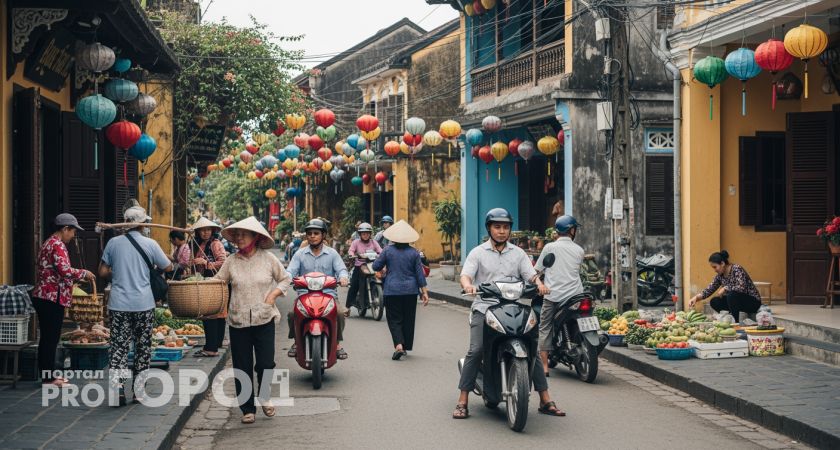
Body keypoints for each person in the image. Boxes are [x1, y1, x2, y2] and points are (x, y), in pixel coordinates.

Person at [454, 208, 564, 419]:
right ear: (490, 229)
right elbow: (466, 275)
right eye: (497, 227)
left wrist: (540, 285)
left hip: (513, 306)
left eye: (505, 227)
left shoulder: (518, 253)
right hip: (485, 307)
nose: (502, 231)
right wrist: (468, 285)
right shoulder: (478, 252)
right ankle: (462, 400)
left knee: (531, 347)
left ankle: (545, 399)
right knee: (476, 350)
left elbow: (531, 276)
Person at [214, 216, 290, 424]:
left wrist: (273, 296)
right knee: (242, 365)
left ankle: (264, 396)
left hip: (264, 317)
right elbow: (219, 283)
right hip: (238, 321)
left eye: (243, 235)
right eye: (236, 235)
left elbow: (285, 278)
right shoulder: (231, 261)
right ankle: (247, 408)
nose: (239, 238)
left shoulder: (268, 259)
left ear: (255, 237)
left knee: (266, 363)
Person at [99, 206, 173, 405]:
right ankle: (139, 392)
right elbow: (168, 266)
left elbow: (103, 271)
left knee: (118, 348)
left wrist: (119, 274)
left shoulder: (113, 243)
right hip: (143, 304)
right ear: (142, 224)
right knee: (143, 347)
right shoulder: (151, 244)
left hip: (119, 305)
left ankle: (118, 391)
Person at [31, 214, 96, 387]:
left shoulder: (48, 243)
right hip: (51, 297)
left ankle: (47, 376)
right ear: (65, 229)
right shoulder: (57, 245)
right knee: (50, 339)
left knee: (47, 338)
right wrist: (83, 273)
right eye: (73, 231)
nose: (73, 235)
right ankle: (49, 379)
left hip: (44, 296)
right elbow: (64, 270)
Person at [286, 219, 350, 360]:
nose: (312, 236)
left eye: (316, 233)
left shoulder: (332, 254)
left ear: (323, 235)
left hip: (328, 295)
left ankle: (337, 344)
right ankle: (296, 341)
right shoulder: (299, 254)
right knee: (292, 314)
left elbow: (342, 269)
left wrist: (344, 277)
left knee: (339, 313)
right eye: (309, 233)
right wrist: (287, 277)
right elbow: (290, 270)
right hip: (304, 295)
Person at [371, 220, 429, 360]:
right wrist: (425, 292)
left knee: (394, 319)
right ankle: (405, 345)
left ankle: (399, 345)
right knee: (408, 319)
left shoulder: (387, 251)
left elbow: (375, 266)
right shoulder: (414, 253)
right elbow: (419, 273)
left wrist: (382, 265)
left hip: (392, 290)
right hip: (411, 291)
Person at [535, 215, 585, 376]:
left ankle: (544, 366)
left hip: (553, 296)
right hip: (576, 296)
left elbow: (537, 270)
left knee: (545, 327)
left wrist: (539, 281)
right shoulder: (579, 250)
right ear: (572, 230)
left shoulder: (550, 248)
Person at [190, 217, 228, 358]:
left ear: (212, 231)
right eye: (202, 230)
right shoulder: (202, 244)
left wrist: (205, 262)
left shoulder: (215, 244)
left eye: (208, 230)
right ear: (198, 232)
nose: (205, 233)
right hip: (209, 281)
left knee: (210, 313)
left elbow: (223, 262)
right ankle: (215, 344)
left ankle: (211, 348)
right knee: (216, 313)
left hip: (215, 281)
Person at [689, 250, 762, 322]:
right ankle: (730, 317)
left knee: (731, 295)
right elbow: (709, 290)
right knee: (714, 301)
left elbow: (741, 287)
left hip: (752, 302)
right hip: (737, 303)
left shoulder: (737, 269)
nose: (714, 270)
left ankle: (735, 322)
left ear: (722, 263)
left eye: (715, 267)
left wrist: (725, 288)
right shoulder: (720, 276)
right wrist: (696, 298)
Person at [345, 222, 382, 313]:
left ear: (370, 234)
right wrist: (351, 255)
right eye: (363, 233)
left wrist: (381, 255)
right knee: (354, 285)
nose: (365, 235)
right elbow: (351, 251)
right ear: (360, 234)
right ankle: (347, 307)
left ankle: (379, 297)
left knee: (381, 279)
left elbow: (380, 251)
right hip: (359, 267)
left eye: (367, 233)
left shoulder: (374, 242)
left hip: (372, 266)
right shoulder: (355, 242)